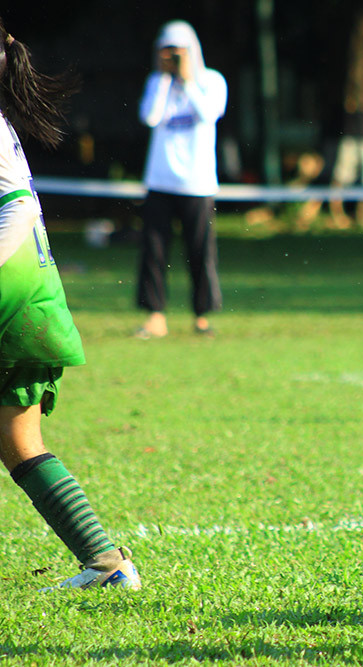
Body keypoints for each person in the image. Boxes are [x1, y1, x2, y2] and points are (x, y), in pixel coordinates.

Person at [0, 19, 140, 590]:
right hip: (32, 289)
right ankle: (106, 563)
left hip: (12, 292)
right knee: (19, 442)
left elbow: (17, 209)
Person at [135, 20, 226, 339]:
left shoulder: (211, 80)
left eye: (179, 51)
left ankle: (202, 317)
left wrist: (187, 80)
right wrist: (163, 78)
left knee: (200, 252)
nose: (173, 57)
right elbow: (149, 117)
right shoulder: (156, 83)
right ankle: (155, 316)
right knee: (154, 252)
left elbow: (209, 114)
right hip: (159, 181)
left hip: (196, 183)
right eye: (167, 51)